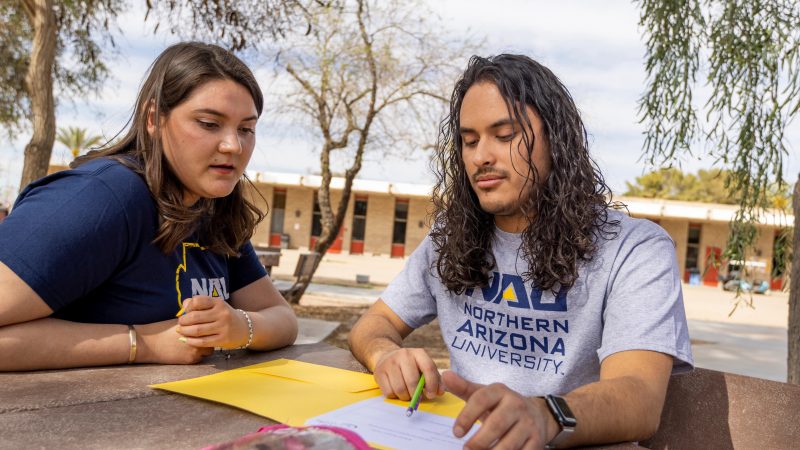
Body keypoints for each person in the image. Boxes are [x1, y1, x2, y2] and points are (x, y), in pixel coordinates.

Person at [349, 54, 693, 449]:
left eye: (505, 134)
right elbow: (373, 324)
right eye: (469, 140)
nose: (480, 157)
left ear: (556, 140)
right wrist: (385, 355)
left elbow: (639, 398)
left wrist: (543, 414)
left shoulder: (635, 249)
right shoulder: (451, 234)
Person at [0, 42, 297, 371]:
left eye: (246, 129)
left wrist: (240, 326)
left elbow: (283, 319)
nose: (233, 145)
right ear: (154, 119)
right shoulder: (103, 198)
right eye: (209, 124)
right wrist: (142, 343)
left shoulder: (214, 208)